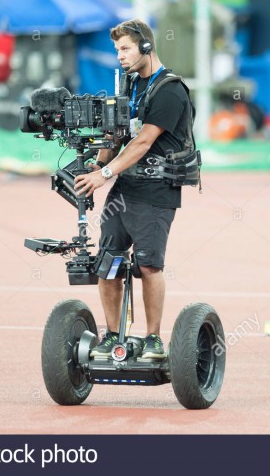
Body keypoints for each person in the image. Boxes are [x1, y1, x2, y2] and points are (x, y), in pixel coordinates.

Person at [74, 19, 193, 360]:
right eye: (117, 50)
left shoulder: (170, 89)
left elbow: (142, 142)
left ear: (145, 47)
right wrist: (97, 166)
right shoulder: (128, 85)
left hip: (156, 191)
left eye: (125, 49)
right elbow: (115, 136)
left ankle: (153, 339)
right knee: (108, 262)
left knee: (148, 266)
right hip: (125, 189)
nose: (120, 56)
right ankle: (112, 335)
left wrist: (105, 174)